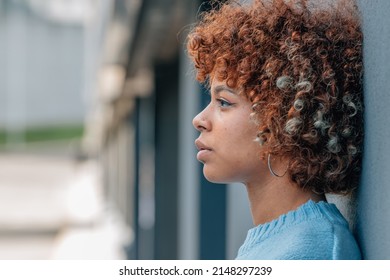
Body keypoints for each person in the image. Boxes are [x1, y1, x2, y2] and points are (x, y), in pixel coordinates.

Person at [187, 0, 363, 259]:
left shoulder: (311, 251)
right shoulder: (281, 242)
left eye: (224, 102)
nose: (199, 120)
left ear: (284, 117)